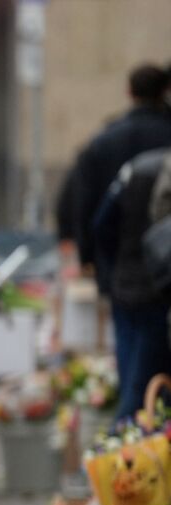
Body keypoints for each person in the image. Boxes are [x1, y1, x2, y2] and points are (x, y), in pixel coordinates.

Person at [92, 146, 171, 417]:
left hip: (125, 287)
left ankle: (117, 452)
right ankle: (120, 455)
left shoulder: (136, 167)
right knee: (141, 394)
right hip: (157, 294)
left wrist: (112, 272)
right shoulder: (158, 166)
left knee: (133, 386)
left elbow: (101, 225)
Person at [69, 64, 171, 272]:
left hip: (119, 264)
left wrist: (87, 255)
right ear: (164, 91)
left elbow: (86, 202)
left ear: (129, 92)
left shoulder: (104, 140)